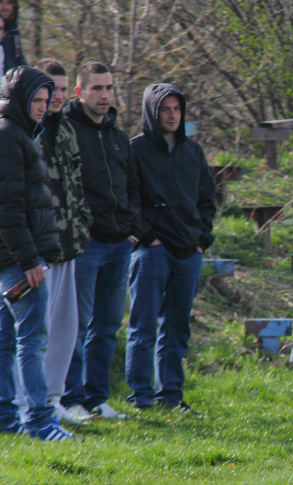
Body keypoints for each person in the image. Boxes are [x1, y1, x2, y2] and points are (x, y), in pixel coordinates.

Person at [125, 83, 216, 412]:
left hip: (188, 252)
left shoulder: (193, 151)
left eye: (177, 109)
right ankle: (140, 396)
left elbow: (208, 198)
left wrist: (202, 239)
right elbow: (128, 198)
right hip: (152, 252)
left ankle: (171, 395)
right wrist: (146, 237)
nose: (172, 115)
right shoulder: (134, 149)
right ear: (152, 112)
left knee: (177, 328)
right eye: (165, 109)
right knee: (143, 326)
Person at [61, 61, 140, 421]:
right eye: (97, 88)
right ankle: (69, 398)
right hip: (85, 244)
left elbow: (132, 187)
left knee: (107, 325)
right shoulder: (65, 131)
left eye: (109, 87)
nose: (105, 95)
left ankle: (96, 398)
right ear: (80, 92)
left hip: (120, 243)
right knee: (76, 324)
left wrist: (132, 227)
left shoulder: (118, 137)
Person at [0, 65, 74, 441]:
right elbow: (10, 206)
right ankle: (41, 422)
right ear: (19, 100)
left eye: (47, 100)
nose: (44, 107)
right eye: (37, 100)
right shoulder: (10, 137)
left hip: (11, 258)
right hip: (17, 261)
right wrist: (30, 260)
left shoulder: (16, 134)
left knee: (5, 339)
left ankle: (5, 417)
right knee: (32, 339)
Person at [34, 59, 93, 425]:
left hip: (69, 244)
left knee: (64, 328)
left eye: (62, 88)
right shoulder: (24, 131)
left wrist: (81, 226)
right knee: (35, 330)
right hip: (38, 248)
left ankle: (53, 398)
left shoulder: (69, 130)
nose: (56, 96)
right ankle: (30, 401)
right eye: (50, 89)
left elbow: (77, 184)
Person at [0, 0, 25, 73]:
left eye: (9, 3)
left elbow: (19, 62)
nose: (5, 7)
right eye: (1, 2)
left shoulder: (13, 32)